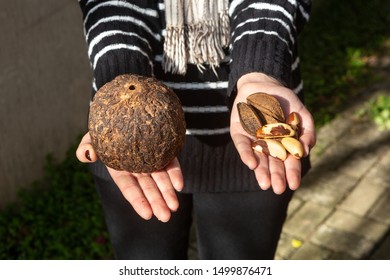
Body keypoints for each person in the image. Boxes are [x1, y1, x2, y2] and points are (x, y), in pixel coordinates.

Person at [76, 0, 316, 259]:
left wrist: (259, 67)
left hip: (251, 145)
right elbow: (111, 6)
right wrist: (121, 83)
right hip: (126, 142)